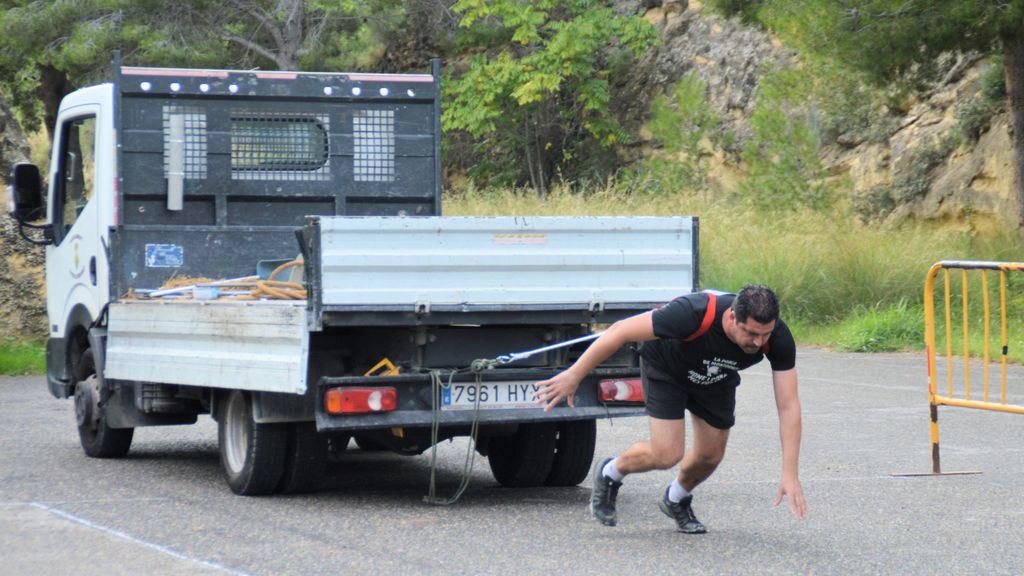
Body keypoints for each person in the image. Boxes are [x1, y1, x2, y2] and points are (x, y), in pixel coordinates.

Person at [534, 284, 808, 533]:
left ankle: (676, 498)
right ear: (732, 317)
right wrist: (574, 375)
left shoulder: (779, 338)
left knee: (710, 456)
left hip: (714, 378)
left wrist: (789, 473)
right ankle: (611, 472)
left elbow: (788, 406)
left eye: (765, 334)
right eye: (751, 333)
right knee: (666, 453)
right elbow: (619, 331)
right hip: (667, 371)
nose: (759, 342)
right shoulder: (692, 313)